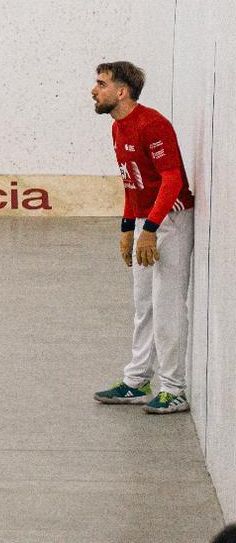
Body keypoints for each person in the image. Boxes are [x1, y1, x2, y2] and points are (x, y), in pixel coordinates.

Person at [90, 61, 195, 414]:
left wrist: (149, 230)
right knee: (144, 305)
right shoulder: (119, 127)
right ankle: (137, 382)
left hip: (171, 221)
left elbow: (172, 180)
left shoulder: (153, 124)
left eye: (101, 84)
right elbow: (131, 182)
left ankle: (174, 388)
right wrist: (127, 228)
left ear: (122, 92)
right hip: (144, 224)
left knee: (167, 306)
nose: (94, 90)